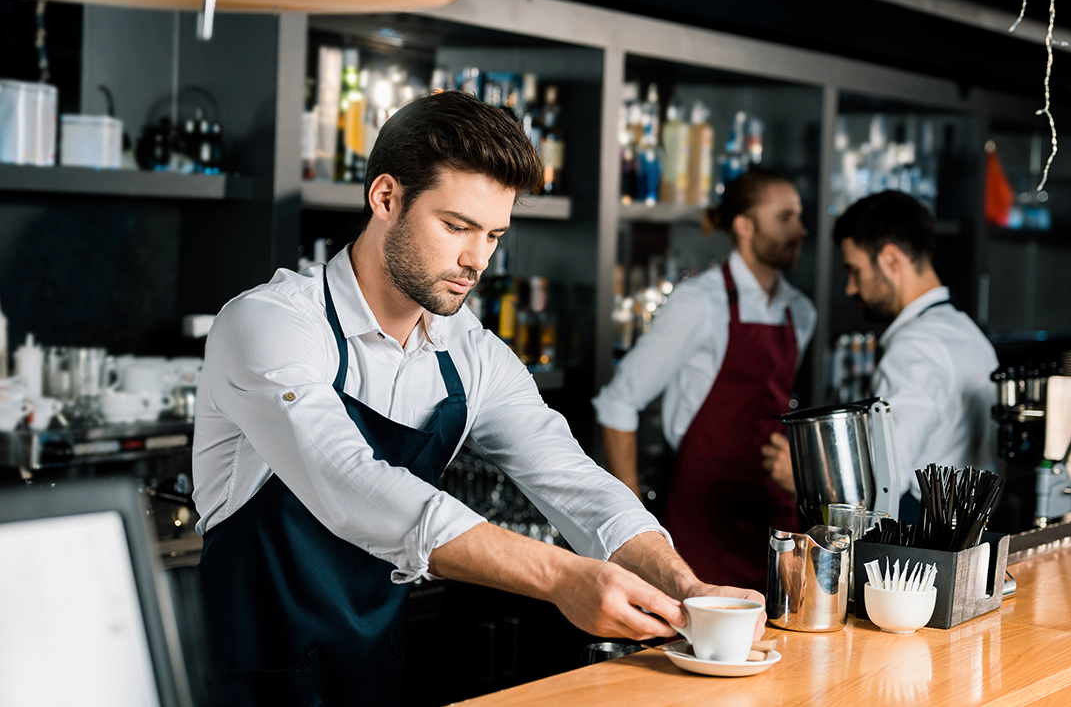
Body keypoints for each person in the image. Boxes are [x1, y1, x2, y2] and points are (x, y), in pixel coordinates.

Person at [191, 91, 761, 707]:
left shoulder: (471, 353)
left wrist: (685, 583)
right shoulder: (269, 323)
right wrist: (560, 576)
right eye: (456, 226)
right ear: (386, 198)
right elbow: (348, 483)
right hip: (243, 681)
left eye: (493, 234)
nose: (476, 260)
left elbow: (571, 478)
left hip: (373, 674)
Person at [592, 170, 817, 591]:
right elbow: (617, 403)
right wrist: (635, 524)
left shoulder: (801, 313)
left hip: (773, 519)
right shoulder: (699, 303)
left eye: (799, 217)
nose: (801, 229)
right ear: (744, 226)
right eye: (784, 218)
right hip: (701, 518)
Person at [763, 190, 998, 520]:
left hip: (918, 551)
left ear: (891, 260)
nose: (851, 288)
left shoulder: (915, 348)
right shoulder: (968, 334)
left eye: (854, 270)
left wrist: (801, 480)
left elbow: (879, 493)